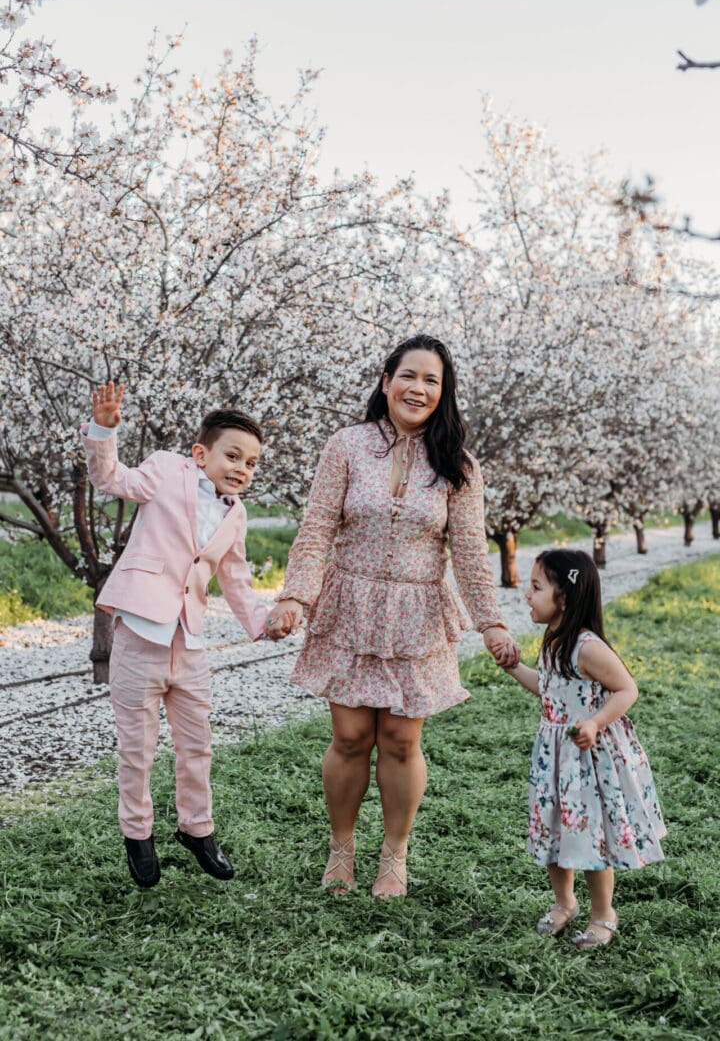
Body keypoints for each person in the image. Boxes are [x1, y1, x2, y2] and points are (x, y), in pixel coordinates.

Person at [266, 334, 520, 899]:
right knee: (352, 735)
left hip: (417, 611)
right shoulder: (347, 446)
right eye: (410, 376)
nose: (419, 388)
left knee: (402, 740)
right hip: (349, 605)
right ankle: (341, 850)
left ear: (443, 392)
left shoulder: (458, 464)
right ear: (387, 382)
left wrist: (492, 623)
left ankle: (395, 855)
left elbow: (473, 554)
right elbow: (316, 531)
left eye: (432, 380)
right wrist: (295, 597)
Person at [81, 382, 282, 888]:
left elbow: (235, 579)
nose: (242, 468)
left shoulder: (235, 514)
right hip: (139, 633)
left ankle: (198, 828)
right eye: (233, 455)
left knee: (198, 745)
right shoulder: (168, 471)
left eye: (252, 463)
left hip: (189, 642)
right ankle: (138, 834)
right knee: (138, 747)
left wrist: (261, 623)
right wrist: (105, 429)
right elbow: (111, 479)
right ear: (201, 453)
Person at [503, 548, 666, 949]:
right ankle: (564, 903)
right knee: (555, 829)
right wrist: (512, 666)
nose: (527, 594)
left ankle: (603, 913)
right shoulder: (553, 640)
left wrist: (594, 722)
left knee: (590, 836)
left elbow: (627, 689)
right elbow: (548, 689)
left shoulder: (587, 646)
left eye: (537, 587)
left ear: (566, 598)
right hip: (554, 756)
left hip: (588, 758)